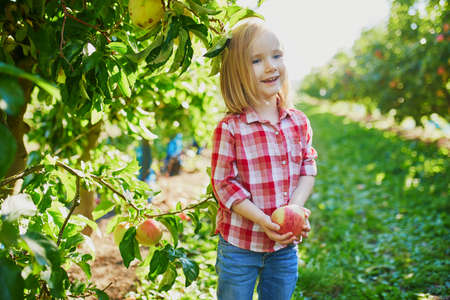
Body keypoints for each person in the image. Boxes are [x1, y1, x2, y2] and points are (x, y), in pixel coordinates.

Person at [210, 19, 318, 300]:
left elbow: (308, 166)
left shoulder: (298, 122)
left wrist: (295, 208)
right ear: (237, 73)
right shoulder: (231, 128)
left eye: (277, 56)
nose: (271, 66)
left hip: (283, 248)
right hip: (239, 246)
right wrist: (263, 220)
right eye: (257, 60)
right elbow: (224, 184)